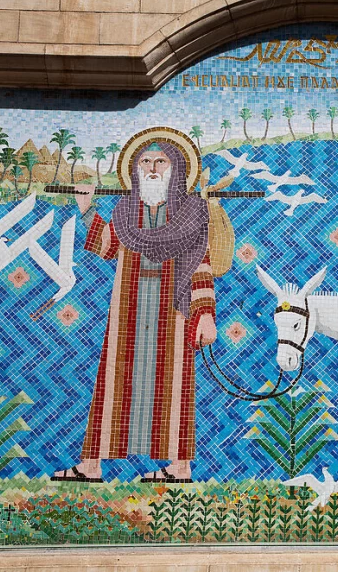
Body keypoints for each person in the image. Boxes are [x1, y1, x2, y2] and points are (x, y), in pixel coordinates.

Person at [51, 142, 217, 484]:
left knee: (175, 385)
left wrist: (205, 314)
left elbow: (201, 263)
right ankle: (91, 465)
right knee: (114, 381)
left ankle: (180, 468)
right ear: (134, 169)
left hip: (174, 311)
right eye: (145, 161)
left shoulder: (189, 213)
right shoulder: (126, 211)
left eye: (160, 161)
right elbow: (108, 247)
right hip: (129, 307)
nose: (152, 168)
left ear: (176, 169)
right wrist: (86, 211)